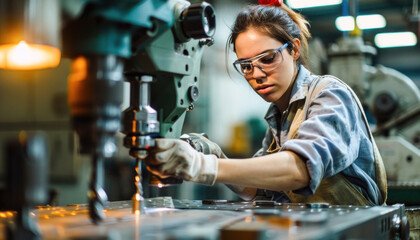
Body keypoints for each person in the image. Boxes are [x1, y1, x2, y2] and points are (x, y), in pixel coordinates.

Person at [145, 0, 387, 206]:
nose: (257, 74)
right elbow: (259, 190)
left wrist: (202, 165)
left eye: (268, 58)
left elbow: (301, 169)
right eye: (247, 66)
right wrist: (216, 155)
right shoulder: (279, 117)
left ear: (294, 49)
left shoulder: (330, 95)